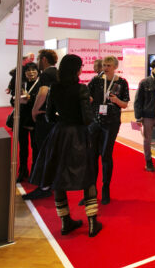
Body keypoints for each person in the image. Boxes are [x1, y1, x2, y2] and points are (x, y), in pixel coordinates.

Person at [29, 54, 103, 237]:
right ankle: (92, 222)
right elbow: (87, 118)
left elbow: (49, 116)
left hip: (59, 134)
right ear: (76, 69)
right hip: (78, 135)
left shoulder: (55, 88)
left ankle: (65, 222)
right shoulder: (81, 89)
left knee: (58, 177)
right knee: (88, 176)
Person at [87, 56, 129, 204]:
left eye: (108, 65)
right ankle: (91, 190)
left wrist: (116, 100)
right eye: (104, 65)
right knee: (92, 156)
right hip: (95, 122)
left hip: (111, 123)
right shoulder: (96, 80)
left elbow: (125, 104)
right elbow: (87, 97)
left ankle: (106, 188)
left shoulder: (121, 82)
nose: (105, 68)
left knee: (106, 155)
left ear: (115, 67)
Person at [23, 49, 59, 200]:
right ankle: (49, 183)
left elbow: (43, 92)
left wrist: (34, 110)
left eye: (38, 59)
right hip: (54, 118)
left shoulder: (46, 74)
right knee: (50, 151)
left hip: (44, 118)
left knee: (42, 151)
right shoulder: (57, 73)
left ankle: (44, 186)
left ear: (44, 59)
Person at [13, 62, 39, 183]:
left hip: (34, 120)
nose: (31, 72)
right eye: (28, 70)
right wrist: (17, 100)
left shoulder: (40, 84)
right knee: (22, 147)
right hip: (21, 119)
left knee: (35, 147)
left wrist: (29, 99)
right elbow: (12, 100)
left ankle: (35, 172)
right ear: (24, 73)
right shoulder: (21, 84)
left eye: (33, 70)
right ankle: (23, 171)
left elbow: (42, 101)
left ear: (38, 72)